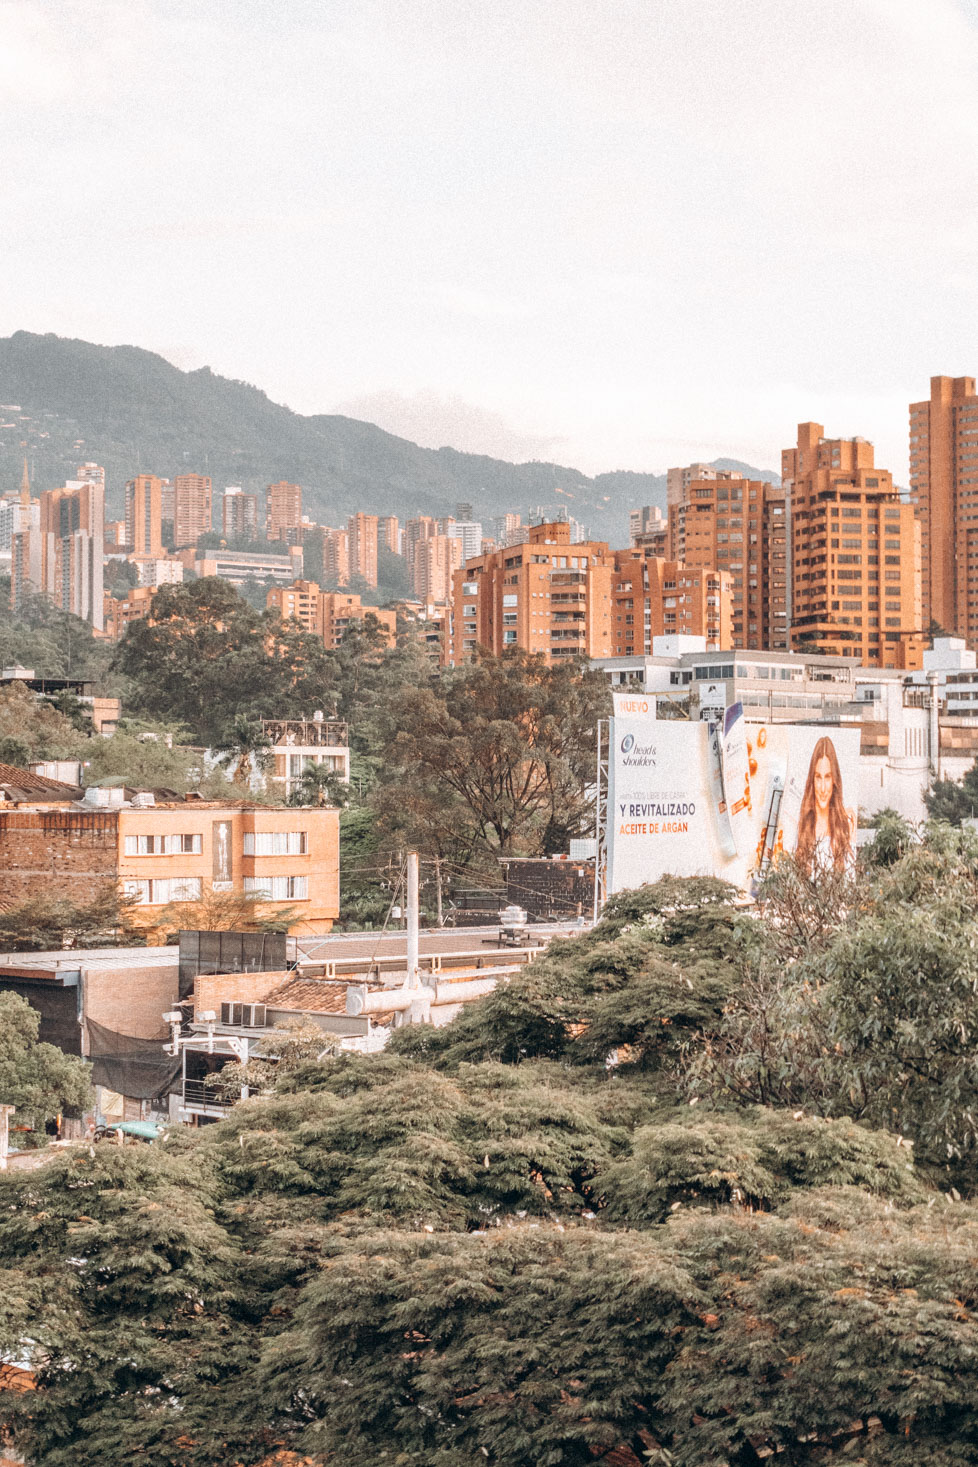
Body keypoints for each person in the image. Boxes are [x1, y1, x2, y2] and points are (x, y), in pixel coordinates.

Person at [794, 735, 855, 876]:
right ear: (812, 780)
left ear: (834, 780)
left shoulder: (844, 826)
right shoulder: (800, 824)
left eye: (827, 777)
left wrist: (852, 838)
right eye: (818, 777)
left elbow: (851, 882)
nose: (822, 788)